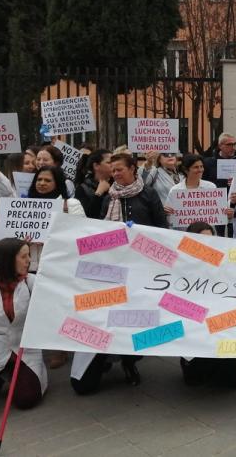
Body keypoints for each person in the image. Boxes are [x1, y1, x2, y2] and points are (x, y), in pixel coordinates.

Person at [70, 153, 168, 394]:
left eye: (120, 170)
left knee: (135, 315)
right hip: (114, 266)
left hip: (142, 265)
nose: (115, 174)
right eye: (112, 170)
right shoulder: (109, 196)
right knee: (115, 313)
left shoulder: (148, 194)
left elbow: (162, 228)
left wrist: (142, 238)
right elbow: (97, 227)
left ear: (134, 169)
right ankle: (106, 356)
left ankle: (129, 361)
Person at [0, 238, 47, 408]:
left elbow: (53, 303)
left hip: (23, 348)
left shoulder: (31, 282)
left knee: (27, 399)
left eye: (28, 256)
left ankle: (13, 373)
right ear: (7, 259)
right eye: (23, 256)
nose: (29, 261)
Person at [26, 166, 86, 368]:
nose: (42, 184)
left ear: (58, 183)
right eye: (39, 179)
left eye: (47, 180)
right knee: (36, 309)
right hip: (31, 265)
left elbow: (81, 234)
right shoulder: (24, 205)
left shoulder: (71, 204)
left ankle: (60, 349)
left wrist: (50, 240)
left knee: (58, 308)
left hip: (59, 266)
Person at [178, 221, 236, 389]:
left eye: (211, 240)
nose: (207, 244)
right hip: (195, 332)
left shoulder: (222, 261)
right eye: (201, 240)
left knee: (231, 382)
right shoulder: (181, 264)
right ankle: (189, 363)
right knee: (194, 381)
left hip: (218, 329)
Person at [166, 154, 233, 230]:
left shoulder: (211, 187)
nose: (200, 170)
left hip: (207, 235)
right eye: (196, 167)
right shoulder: (175, 190)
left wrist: (228, 214)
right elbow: (170, 219)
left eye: (201, 166)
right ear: (186, 170)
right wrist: (167, 212)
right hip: (184, 235)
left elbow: (221, 214)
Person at [202, 133, 236, 237]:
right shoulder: (208, 163)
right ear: (220, 146)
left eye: (235, 144)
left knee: (234, 236)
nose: (233, 147)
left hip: (235, 206)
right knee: (217, 236)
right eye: (229, 144)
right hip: (216, 206)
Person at [74, 148, 112, 213]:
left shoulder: (118, 185)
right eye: (109, 162)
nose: (113, 165)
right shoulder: (83, 189)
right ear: (96, 166)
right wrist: (99, 193)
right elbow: (86, 215)